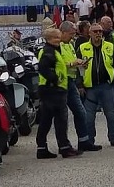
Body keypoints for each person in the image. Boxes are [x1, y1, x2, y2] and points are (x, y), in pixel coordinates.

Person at [35, 28, 79, 159]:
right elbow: (43, 68)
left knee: (46, 120)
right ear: (49, 39)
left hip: (50, 89)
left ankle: (42, 148)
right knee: (60, 120)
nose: (59, 40)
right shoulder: (49, 51)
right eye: (56, 38)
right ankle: (65, 148)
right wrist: (55, 79)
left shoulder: (51, 50)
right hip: (53, 90)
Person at [78, 24, 114, 148]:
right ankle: (90, 140)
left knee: (111, 114)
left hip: (106, 86)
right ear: (90, 33)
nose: (98, 33)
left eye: (100, 31)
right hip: (90, 86)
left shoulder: (109, 46)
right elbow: (78, 68)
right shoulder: (82, 48)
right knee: (89, 116)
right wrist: (80, 84)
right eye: (95, 31)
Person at [59, 21, 94, 151]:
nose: (73, 37)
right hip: (63, 82)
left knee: (80, 112)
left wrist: (81, 64)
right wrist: (73, 63)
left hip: (71, 81)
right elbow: (59, 64)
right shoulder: (58, 46)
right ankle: (62, 145)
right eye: (71, 34)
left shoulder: (70, 45)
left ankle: (83, 141)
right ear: (62, 32)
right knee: (62, 115)